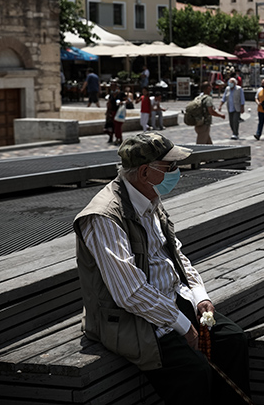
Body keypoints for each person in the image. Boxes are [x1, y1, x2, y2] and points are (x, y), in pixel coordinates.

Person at [73, 133, 250, 405]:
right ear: (145, 171)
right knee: (194, 373)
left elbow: (176, 254)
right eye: (169, 167)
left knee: (232, 340)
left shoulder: (150, 198)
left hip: (171, 299)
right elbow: (129, 293)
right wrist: (182, 324)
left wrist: (200, 295)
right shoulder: (104, 216)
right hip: (129, 319)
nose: (176, 173)